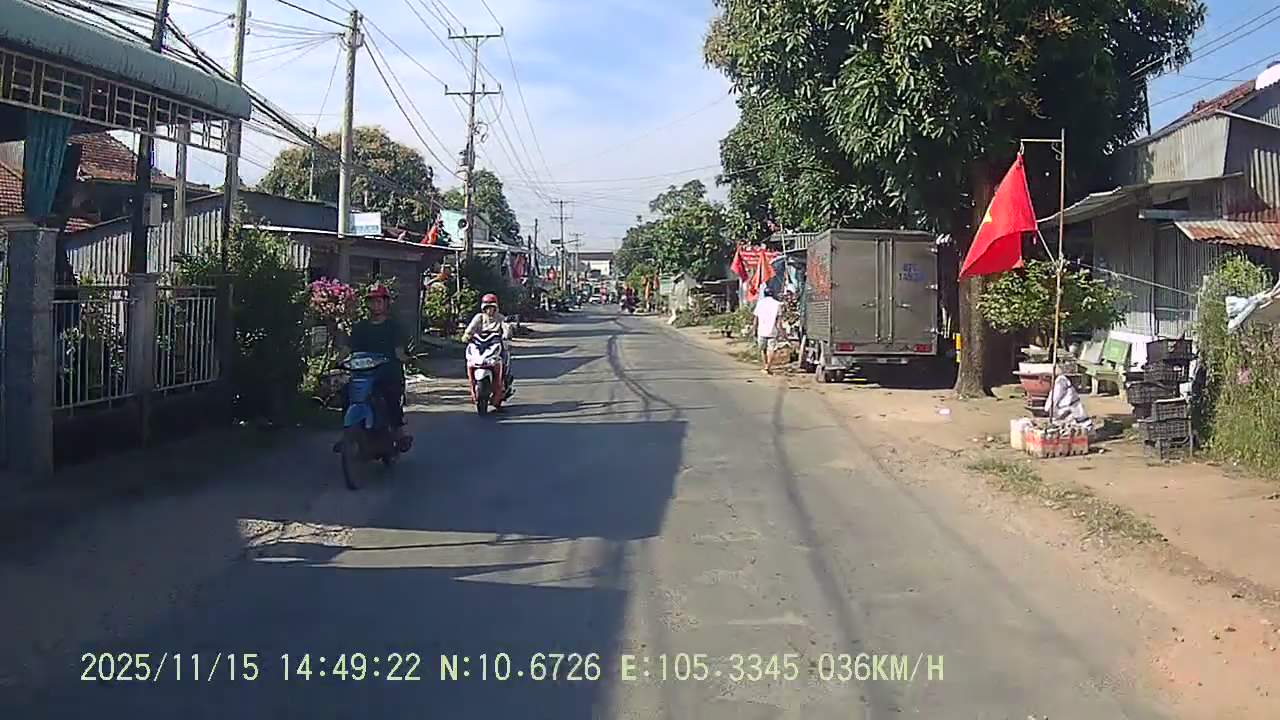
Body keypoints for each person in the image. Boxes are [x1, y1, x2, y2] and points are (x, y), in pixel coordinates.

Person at [349, 285, 410, 446]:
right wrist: (338, 362)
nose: (375, 305)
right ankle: (349, 431)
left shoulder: (394, 327)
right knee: (347, 393)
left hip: (388, 373)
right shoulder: (360, 327)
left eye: (379, 301)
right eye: (372, 301)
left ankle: (398, 431)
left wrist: (406, 359)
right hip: (362, 373)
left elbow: (399, 351)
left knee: (391, 398)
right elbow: (348, 349)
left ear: (386, 303)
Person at [462, 293, 514, 399]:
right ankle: (472, 387)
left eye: (492, 307)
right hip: (480, 345)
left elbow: (506, 330)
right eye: (487, 308)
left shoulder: (500, 318)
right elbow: (470, 329)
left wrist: (506, 333)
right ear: (483, 308)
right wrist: (466, 336)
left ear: (496, 308)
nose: (490, 310)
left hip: (495, 345)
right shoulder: (479, 318)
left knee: (504, 358)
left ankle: (504, 383)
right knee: (470, 361)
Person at [752, 287, 783, 374]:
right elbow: (779, 322)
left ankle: (765, 365)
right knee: (771, 349)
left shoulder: (760, 303)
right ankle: (768, 367)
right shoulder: (778, 304)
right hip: (772, 331)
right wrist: (782, 332)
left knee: (763, 349)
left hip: (761, 330)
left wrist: (754, 329)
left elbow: (756, 319)